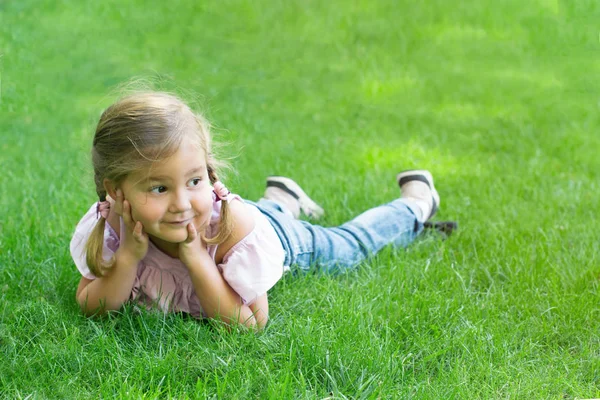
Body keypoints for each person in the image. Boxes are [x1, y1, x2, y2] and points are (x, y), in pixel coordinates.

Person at [70, 91, 452, 330]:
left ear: (210, 172)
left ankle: (414, 204)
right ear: (116, 192)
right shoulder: (114, 227)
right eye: (159, 188)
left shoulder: (235, 228)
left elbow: (250, 324)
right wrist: (127, 258)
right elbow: (91, 306)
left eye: (194, 181)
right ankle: (282, 197)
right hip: (254, 217)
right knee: (275, 215)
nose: (182, 204)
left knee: (347, 247)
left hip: (277, 236)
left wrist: (195, 258)